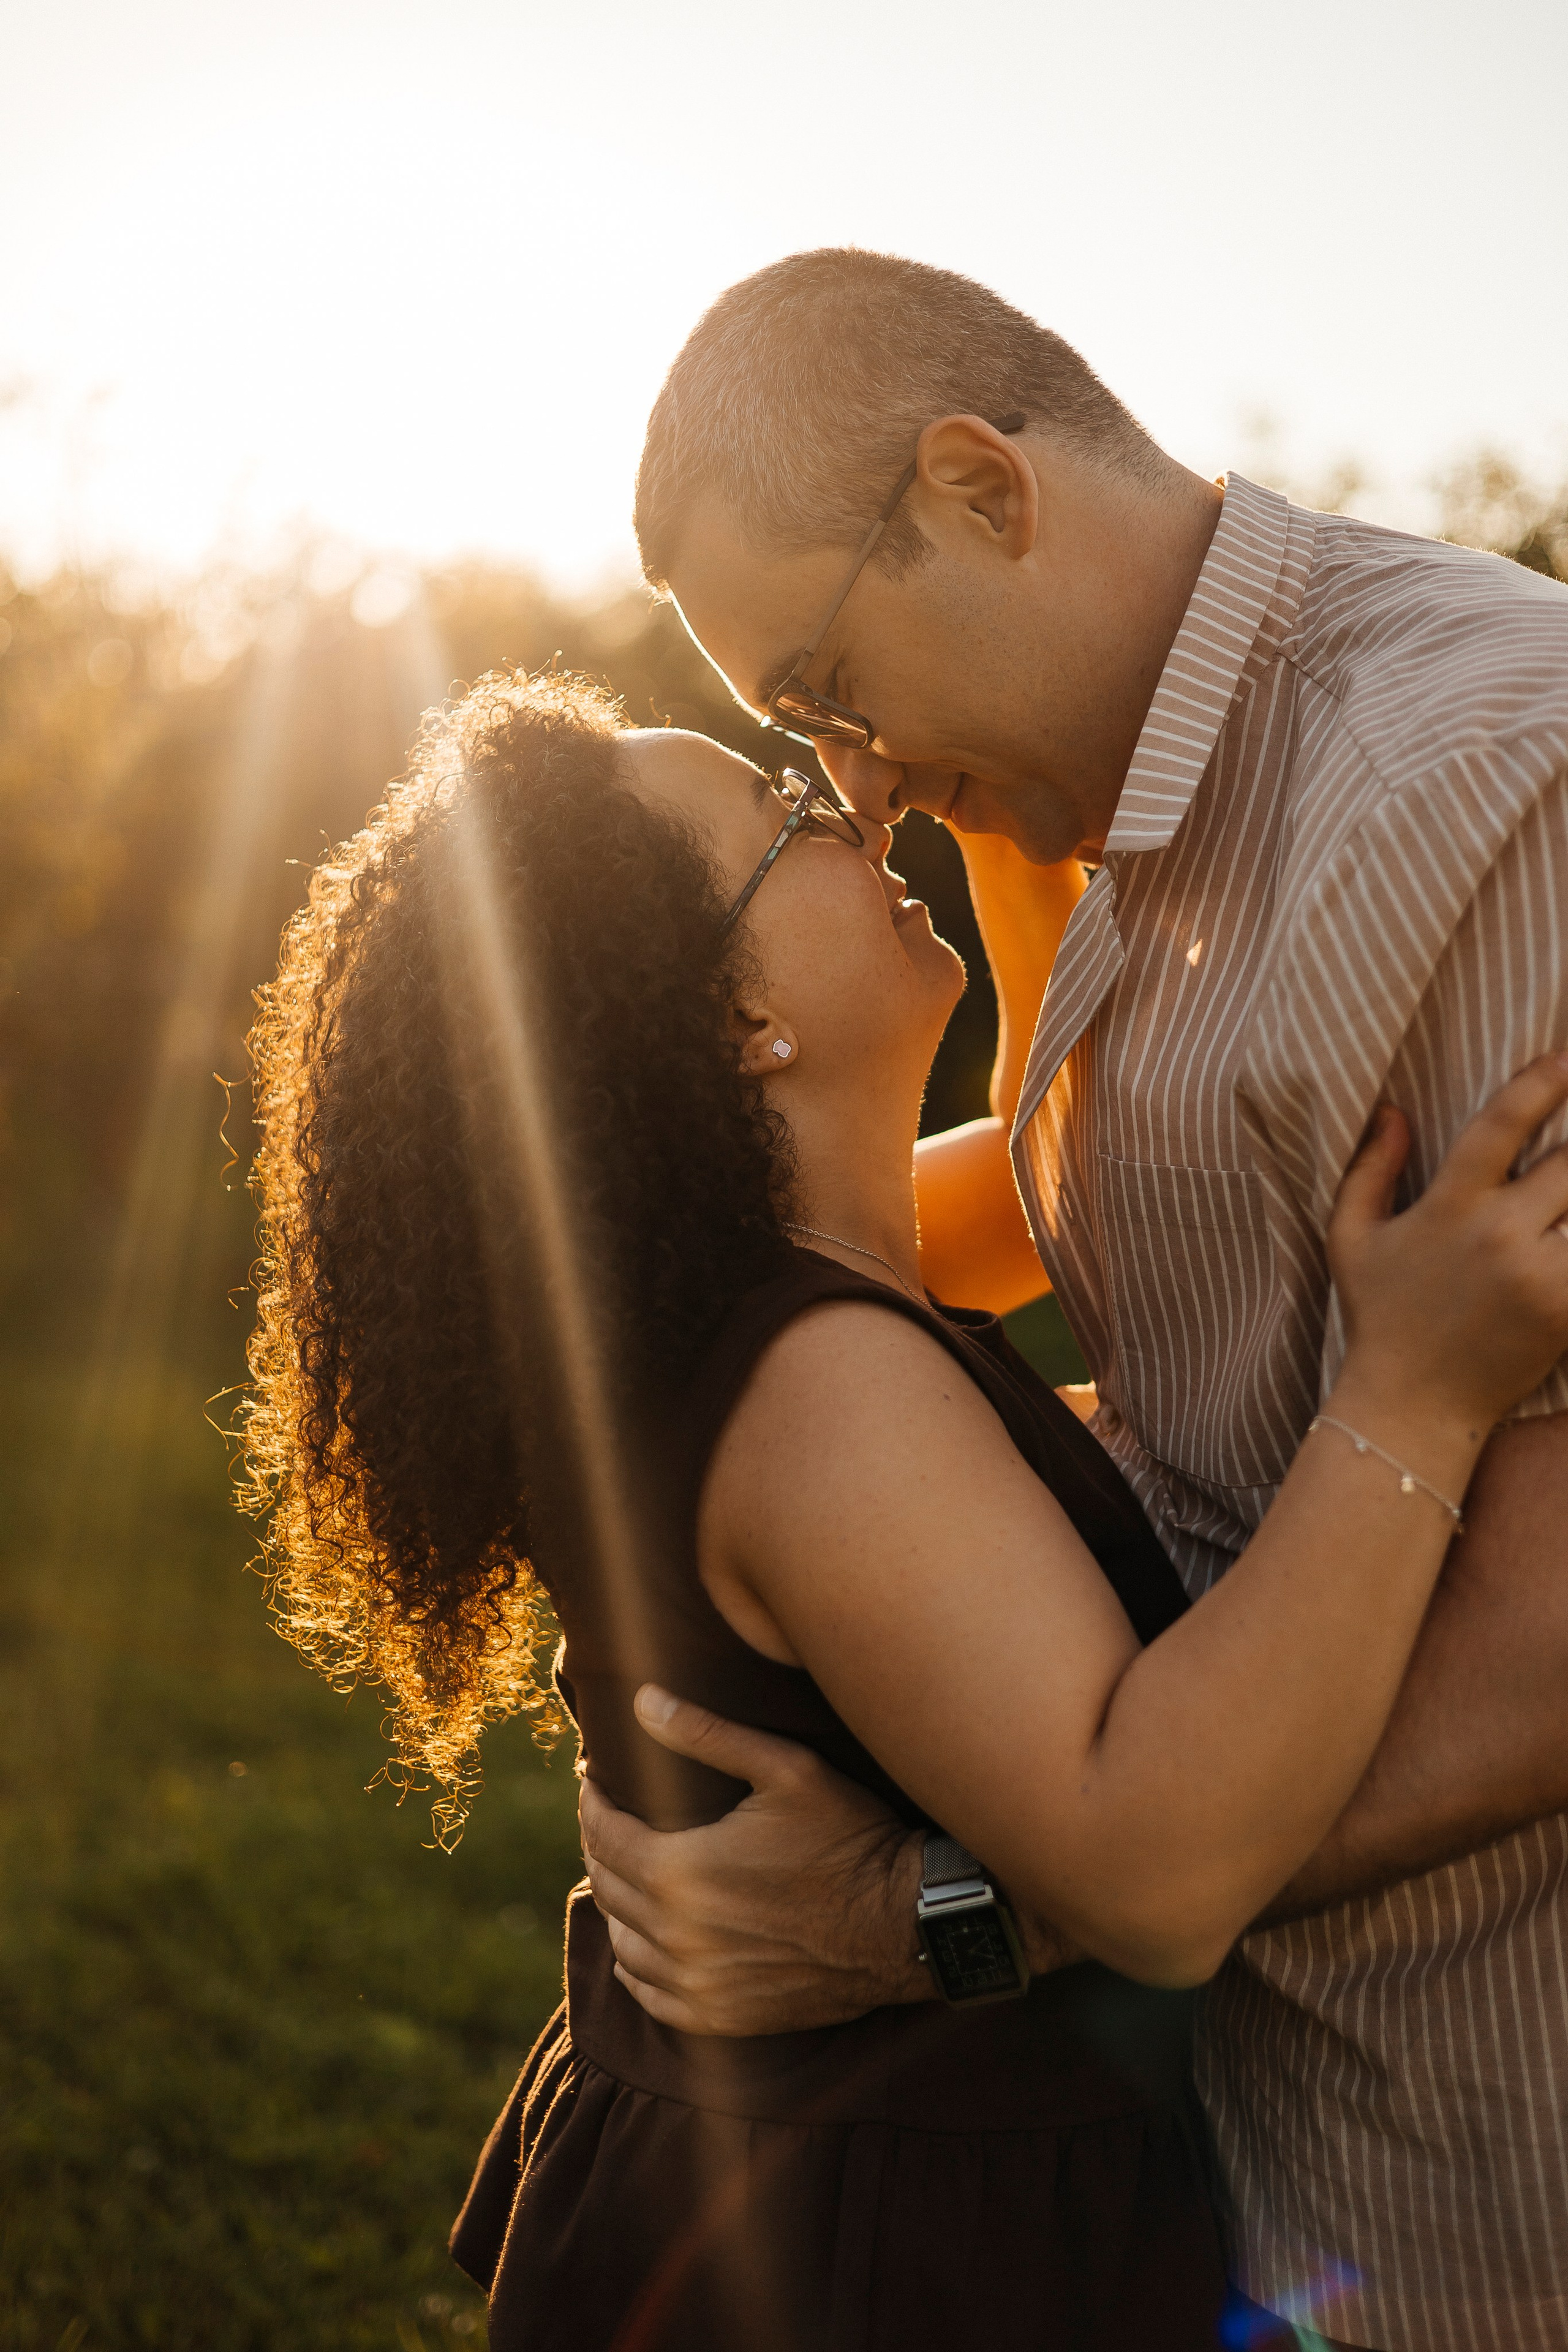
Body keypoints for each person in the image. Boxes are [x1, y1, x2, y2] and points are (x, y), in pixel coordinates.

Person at [239, 669, 1568, 2351]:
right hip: (873, 2250)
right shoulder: (821, 1396)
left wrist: (1004, 789)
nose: (850, 805)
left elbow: (1039, 1154)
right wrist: (1421, 1392)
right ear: (739, 1027)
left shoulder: (764, 1270)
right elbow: (1154, 1868)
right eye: (784, 812)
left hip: (798, 2176)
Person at [582, 247, 1568, 2352]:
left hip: (1491, 2178)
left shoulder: (1497, 787)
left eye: (826, 696)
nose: (853, 790)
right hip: (1232, 2163)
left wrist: (942, 1913)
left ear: (976, 492)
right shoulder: (1102, 838)